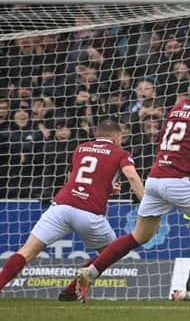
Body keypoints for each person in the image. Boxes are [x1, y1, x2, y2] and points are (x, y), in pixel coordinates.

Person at [75, 68, 190, 302]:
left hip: (155, 178)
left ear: (189, 88)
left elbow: (162, 140)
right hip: (177, 181)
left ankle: (90, 271)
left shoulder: (176, 108)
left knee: (139, 235)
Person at [0, 119, 144, 300]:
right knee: (111, 253)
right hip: (89, 213)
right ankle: (69, 292)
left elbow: (75, 177)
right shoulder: (121, 153)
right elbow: (131, 176)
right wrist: (146, 203)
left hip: (61, 207)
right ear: (116, 136)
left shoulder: (80, 148)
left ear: (96, 134)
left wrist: (106, 187)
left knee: (26, 251)